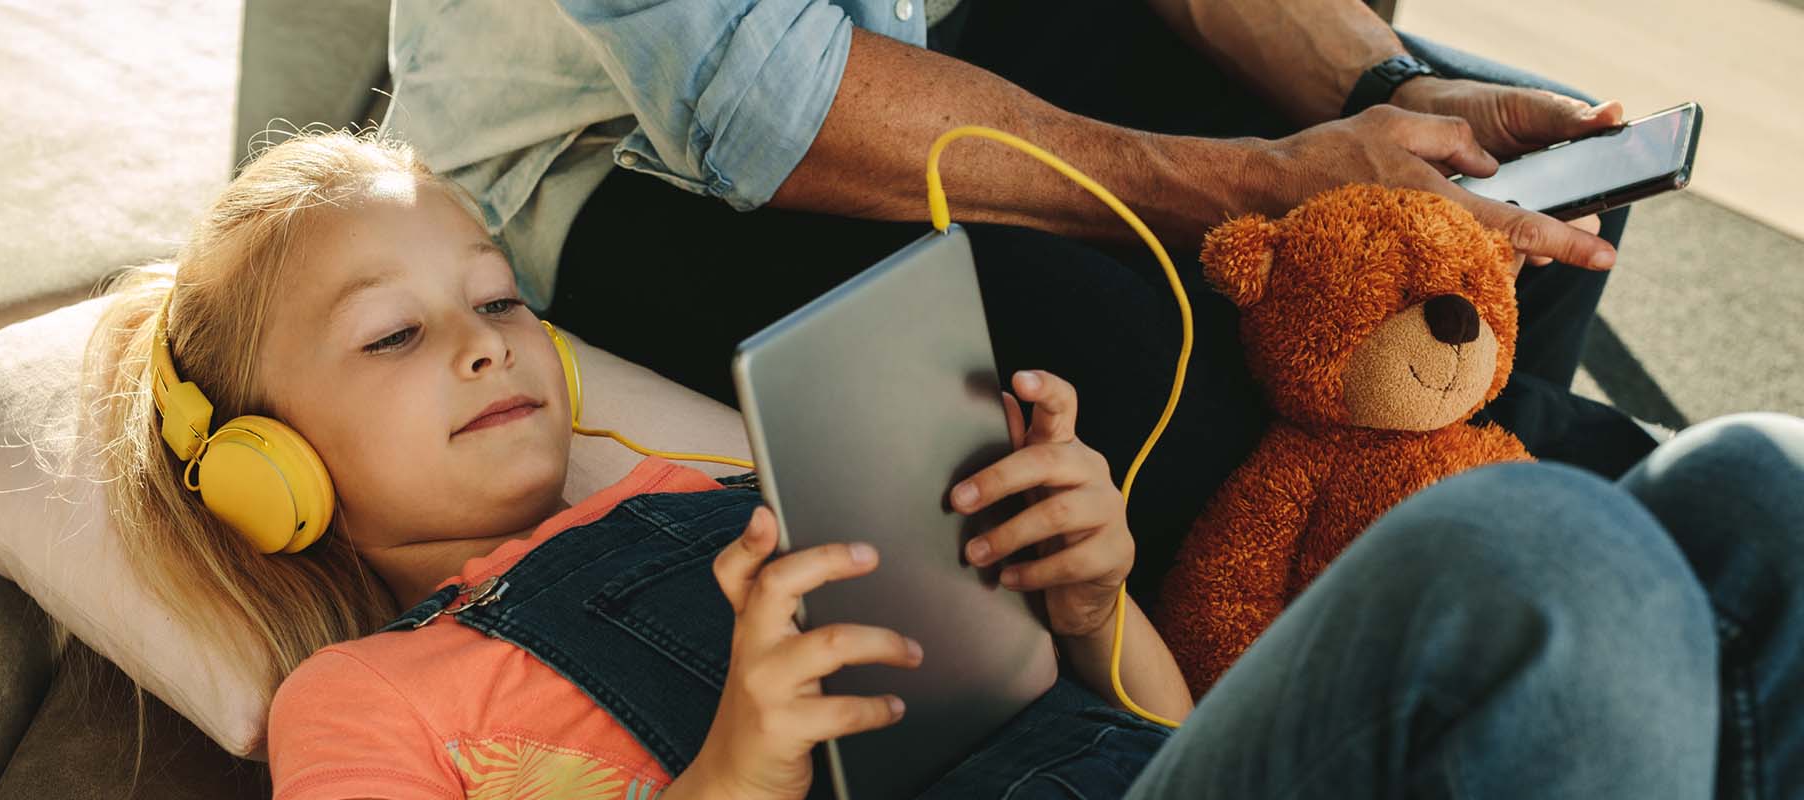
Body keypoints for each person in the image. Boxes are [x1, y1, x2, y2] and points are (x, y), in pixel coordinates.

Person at [82, 131, 1801, 800]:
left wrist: (1087, 596)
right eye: (393, 335)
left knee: (1753, 494)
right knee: (1520, 556)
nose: (485, 346)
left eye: (500, 299)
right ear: (266, 473)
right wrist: (734, 781)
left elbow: (1156, 745)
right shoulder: (362, 700)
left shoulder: (726, 478)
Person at [382, 0, 1663, 601]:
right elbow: (759, 98)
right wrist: (1253, 187)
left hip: (930, 25)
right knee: (1139, 374)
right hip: (618, 151)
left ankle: (1521, 559)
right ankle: (1584, 587)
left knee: (1513, 224)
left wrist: (1368, 90)